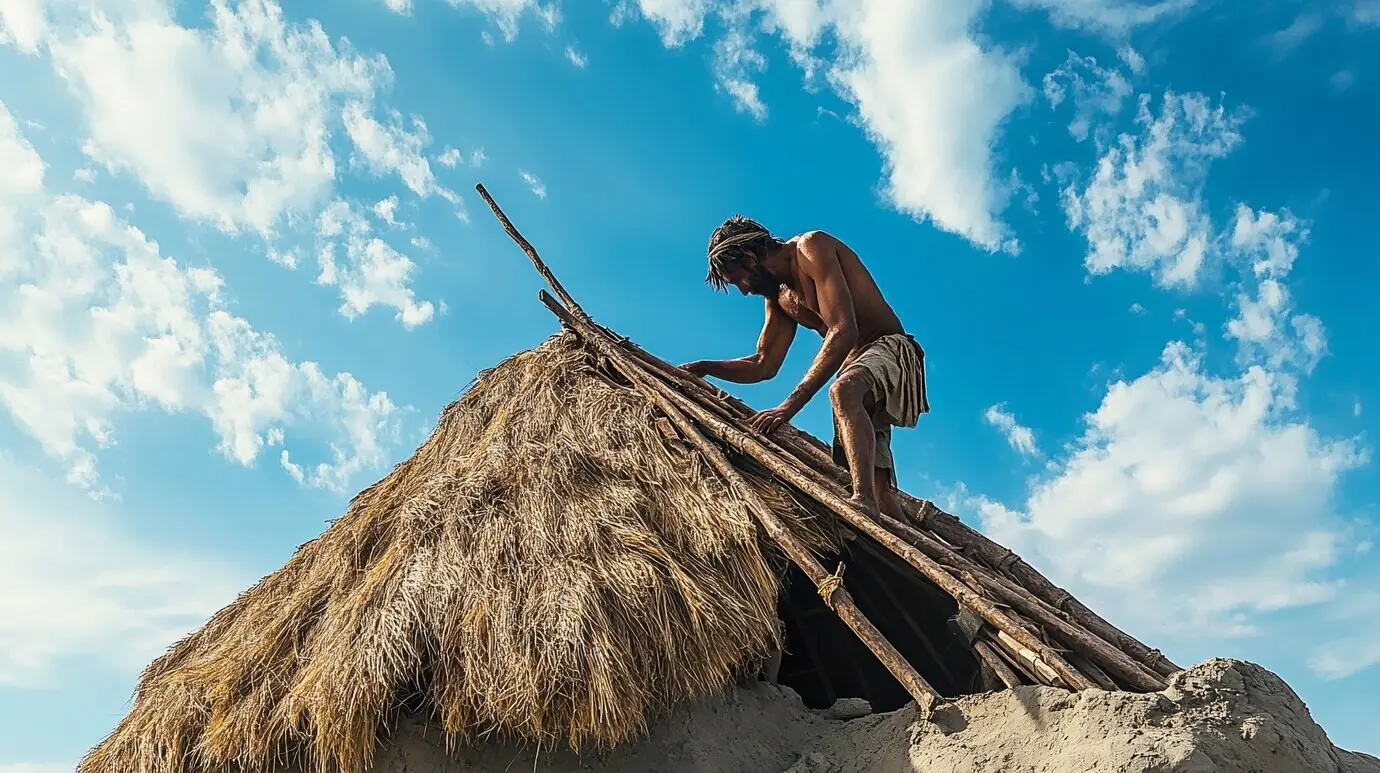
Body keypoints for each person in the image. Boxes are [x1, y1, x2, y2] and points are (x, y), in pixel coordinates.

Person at [680, 215, 929, 524]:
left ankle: (860, 499)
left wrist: (788, 407)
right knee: (880, 488)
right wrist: (706, 367)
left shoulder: (811, 248)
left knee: (844, 391)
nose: (744, 291)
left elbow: (843, 330)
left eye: (739, 278)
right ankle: (901, 548)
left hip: (887, 348)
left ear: (750, 257)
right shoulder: (779, 296)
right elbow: (763, 364)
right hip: (856, 365)